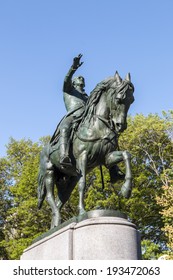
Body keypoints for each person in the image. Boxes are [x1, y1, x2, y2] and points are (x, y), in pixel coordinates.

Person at [57, 54, 88, 167]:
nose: (81, 78)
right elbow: (66, 79)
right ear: (73, 82)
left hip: (86, 118)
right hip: (73, 116)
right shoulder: (68, 89)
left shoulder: (86, 97)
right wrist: (73, 67)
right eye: (78, 78)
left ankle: (113, 168)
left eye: (82, 78)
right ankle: (63, 155)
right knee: (64, 127)